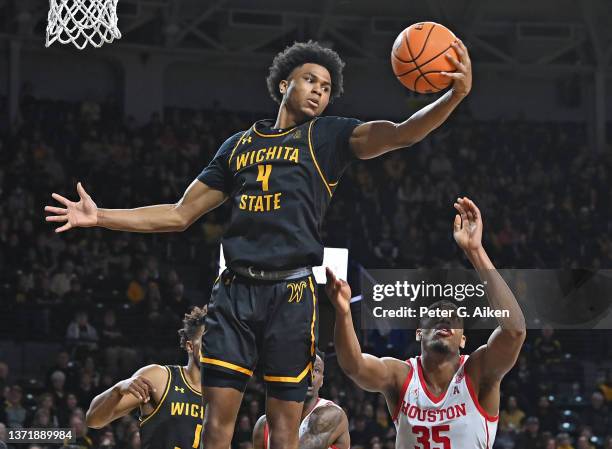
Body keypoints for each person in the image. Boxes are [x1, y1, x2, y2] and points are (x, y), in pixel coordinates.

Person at [45, 40, 472, 449]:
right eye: (310, 80)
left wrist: (453, 96)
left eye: (326, 88)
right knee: (216, 429)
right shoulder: (238, 147)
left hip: (291, 294)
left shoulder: (327, 137)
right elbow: (179, 214)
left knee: (284, 435)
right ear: (285, 84)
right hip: (234, 294)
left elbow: (400, 133)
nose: (319, 92)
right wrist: (99, 216)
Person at [326, 197, 526, 449]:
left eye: (454, 319)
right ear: (419, 333)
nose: (445, 318)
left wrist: (475, 251)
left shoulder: (478, 372)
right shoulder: (401, 376)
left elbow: (515, 331)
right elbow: (354, 366)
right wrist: (343, 313)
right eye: (435, 316)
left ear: (463, 340)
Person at [85, 307, 206, 449]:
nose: (215, 348)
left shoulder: (222, 396)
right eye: (207, 341)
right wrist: (117, 389)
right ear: (190, 346)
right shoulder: (160, 378)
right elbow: (94, 420)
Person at [252, 353, 349, 449]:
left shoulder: (332, 414)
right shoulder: (264, 424)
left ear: (322, 380)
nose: (310, 375)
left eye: (316, 370)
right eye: (304, 368)